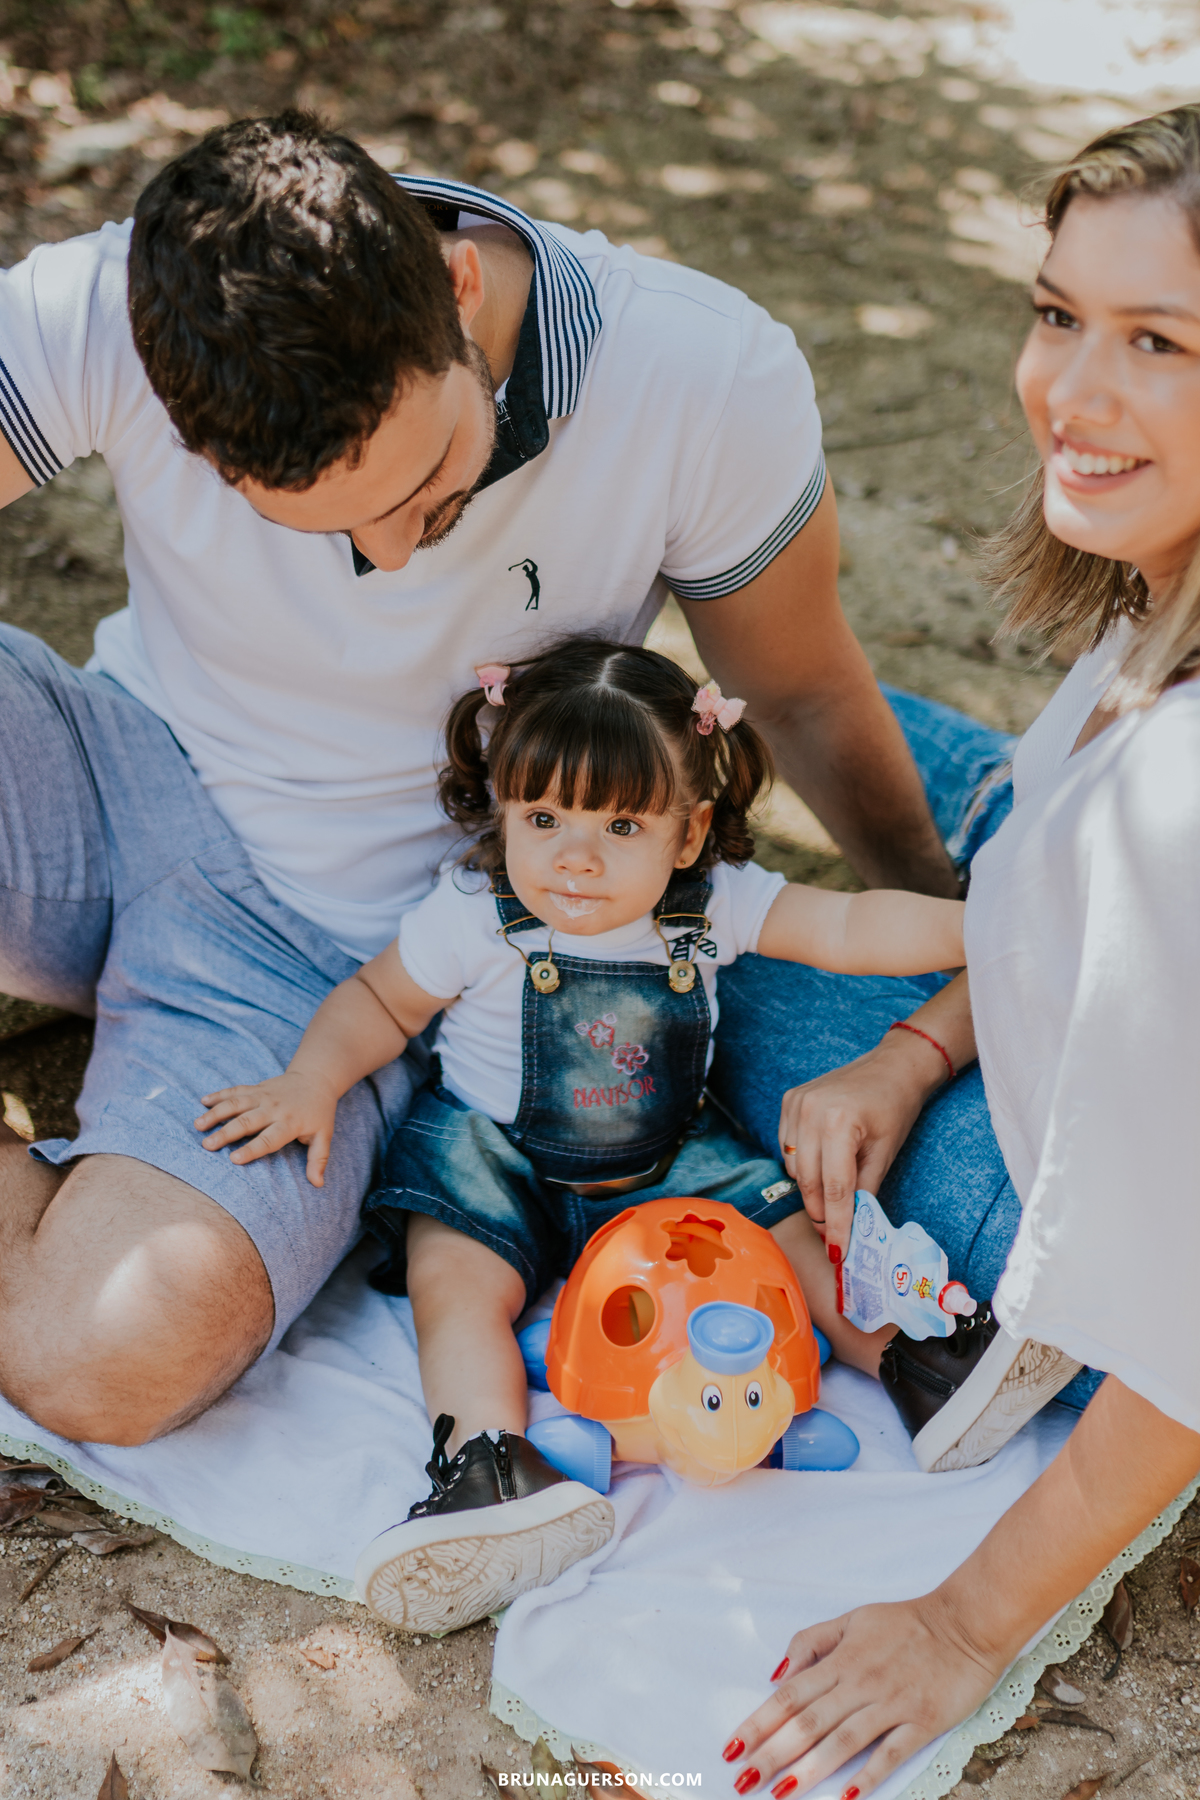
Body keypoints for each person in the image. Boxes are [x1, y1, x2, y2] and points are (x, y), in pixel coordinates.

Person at [0, 112, 960, 1446]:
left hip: (337, 959)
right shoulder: (131, 303)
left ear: (455, 285)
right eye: (323, 522)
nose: (388, 559)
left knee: (108, 1355)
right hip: (108, 769)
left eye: (429, 485)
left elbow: (800, 692)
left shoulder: (700, 374)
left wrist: (966, 954)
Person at [716, 105, 1200, 1800]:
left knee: (626, 946)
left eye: (1160, 343)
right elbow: (1064, 885)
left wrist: (964, 1621)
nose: (1070, 390)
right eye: (1061, 313)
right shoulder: (1166, 598)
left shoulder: (1183, 807)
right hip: (1048, 1010)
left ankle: (935, 1327)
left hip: (1051, 1245)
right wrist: (912, 1044)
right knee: (818, 730)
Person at [193, 636, 967, 1634]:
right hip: (496, 1152)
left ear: (687, 836)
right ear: (504, 808)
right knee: (456, 1286)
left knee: (786, 1238)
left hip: (665, 1157)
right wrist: (311, 1081)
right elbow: (380, 1003)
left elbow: (851, 931)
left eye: (621, 823)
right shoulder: (477, 914)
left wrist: (975, 929)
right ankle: (486, 1467)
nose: (575, 856)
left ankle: (913, 1363)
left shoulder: (710, 907)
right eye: (545, 816)